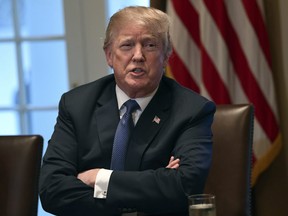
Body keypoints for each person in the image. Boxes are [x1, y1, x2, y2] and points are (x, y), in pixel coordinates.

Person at [39, 6, 215, 216]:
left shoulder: (192, 110)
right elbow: (52, 189)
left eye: (150, 45)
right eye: (127, 45)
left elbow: (183, 187)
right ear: (109, 55)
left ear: (166, 56)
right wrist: (151, 190)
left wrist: (99, 179)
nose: (138, 55)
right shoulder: (77, 105)